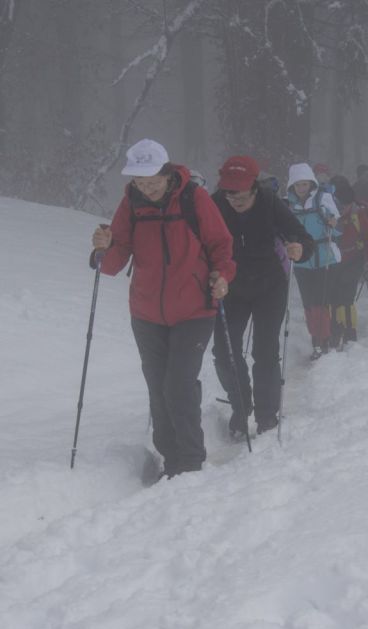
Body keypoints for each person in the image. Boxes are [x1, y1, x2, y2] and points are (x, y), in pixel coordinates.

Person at [90, 138, 236, 479]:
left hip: (196, 309)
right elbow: (114, 262)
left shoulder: (193, 198)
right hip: (146, 313)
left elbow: (221, 245)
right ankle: (170, 457)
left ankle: (190, 460)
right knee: (158, 386)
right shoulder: (131, 203)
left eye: (152, 180)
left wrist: (223, 277)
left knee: (178, 384)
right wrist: (102, 248)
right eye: (140, 182)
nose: (147, 187)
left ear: (167, 172)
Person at [210, 155, 315, 436]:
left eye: (241, 195)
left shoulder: (270, 202)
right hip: (230, 287)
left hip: (270, 285)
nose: (235, 200)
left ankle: (267, 415)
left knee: (265, 350)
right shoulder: (215, 204)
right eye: (230, 194)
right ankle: (240, 405)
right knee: (223, 352)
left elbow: (303, 238)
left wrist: (299, 248)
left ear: (254, 188)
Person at [286, 162, 341, 360]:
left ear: (311, 184)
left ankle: (324, 339)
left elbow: (335, 217)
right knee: (309, 302)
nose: (302, 188)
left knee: (322, 301)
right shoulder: (288, 204)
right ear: (292, 186)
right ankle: (315, 338)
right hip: (302, 259)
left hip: (324, 256)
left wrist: (332, 220)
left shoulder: (323, 198)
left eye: (305, 184)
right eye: (298, 185)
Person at [330, 175, 368, 348]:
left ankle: (350, 332)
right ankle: (335, 330)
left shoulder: (359, 214)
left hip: (354, 260)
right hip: (334, 261)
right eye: (340, 205)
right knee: (334, 297)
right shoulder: (329, 215)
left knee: (347, 296)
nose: (342, 209)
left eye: (345, 205)